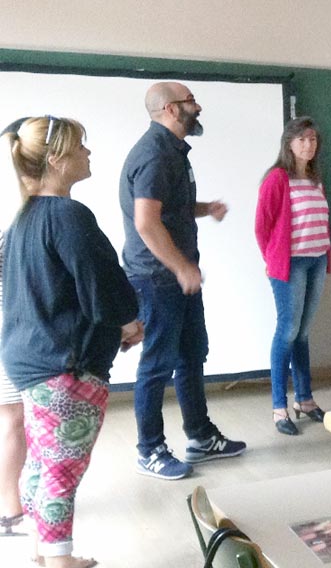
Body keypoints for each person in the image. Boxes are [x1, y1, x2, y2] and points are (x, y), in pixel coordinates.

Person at [1, 115, 143, 568]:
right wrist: (128, 320)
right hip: (65, 367)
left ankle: (43, 555)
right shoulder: (68, 215)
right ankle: (60, 563)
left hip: (32, 360)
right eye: (81, 145)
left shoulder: (24, 219)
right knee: (62, 471)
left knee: (42, 466)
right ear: (57, 159)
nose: (89, 152)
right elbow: (105, 290)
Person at [120, 82, 245, 480]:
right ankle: (150, 450)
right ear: (172, 109)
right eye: (192, 101)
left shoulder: (172, 152)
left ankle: (200, 437)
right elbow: (146, 221)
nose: (198, 106)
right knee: (157, 365)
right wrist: (180, 267)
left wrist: (204, 208)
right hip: (157, 279)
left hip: (176, 277)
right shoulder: (155, 154)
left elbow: (166, 206)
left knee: (192, 355)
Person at [255, 117, 331, 436]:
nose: (308, 145)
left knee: (302, 333)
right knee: (287, 332)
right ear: (289, 143)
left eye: (312, 139)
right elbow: (262, 227)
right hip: (290, 265)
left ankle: (305, 400)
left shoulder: (315, 179)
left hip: (316, 261)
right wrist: (272, 261)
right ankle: (278, 406)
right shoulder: (277, 178)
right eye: (301, 139)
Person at [0, 118, 26, 537]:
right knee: (13, 421)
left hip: (15, 327)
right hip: (9, 329)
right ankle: (10, 510)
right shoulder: (12, 212)